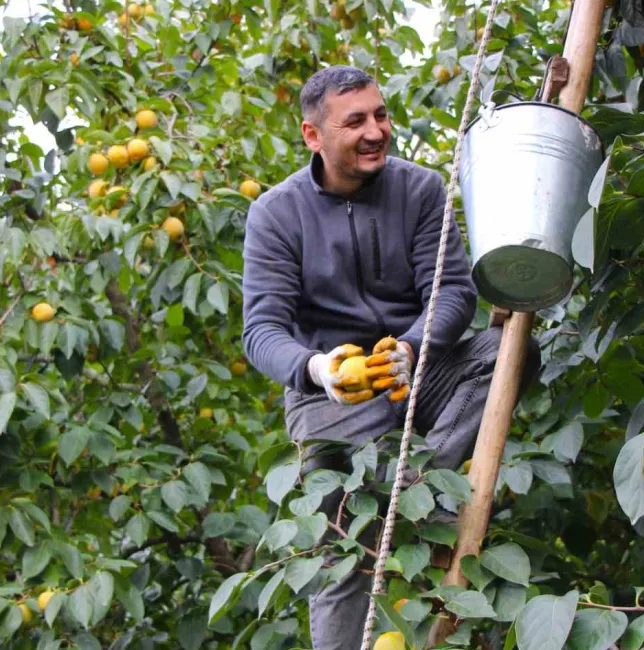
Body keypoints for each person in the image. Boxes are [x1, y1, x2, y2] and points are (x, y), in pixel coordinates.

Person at [240, 65, 539, 650]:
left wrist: (411, 346)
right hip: (335, 398)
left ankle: (419, 483)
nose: (376, 130)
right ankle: (405, 506)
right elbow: (262, 331)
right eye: (355, 121)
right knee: (345, 558)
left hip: (418, 369)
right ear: (313, 136)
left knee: (507, 350)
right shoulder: (275, 214)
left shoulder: (421, 189)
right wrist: (319, 369)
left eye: (380, 114)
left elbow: (452, 290)